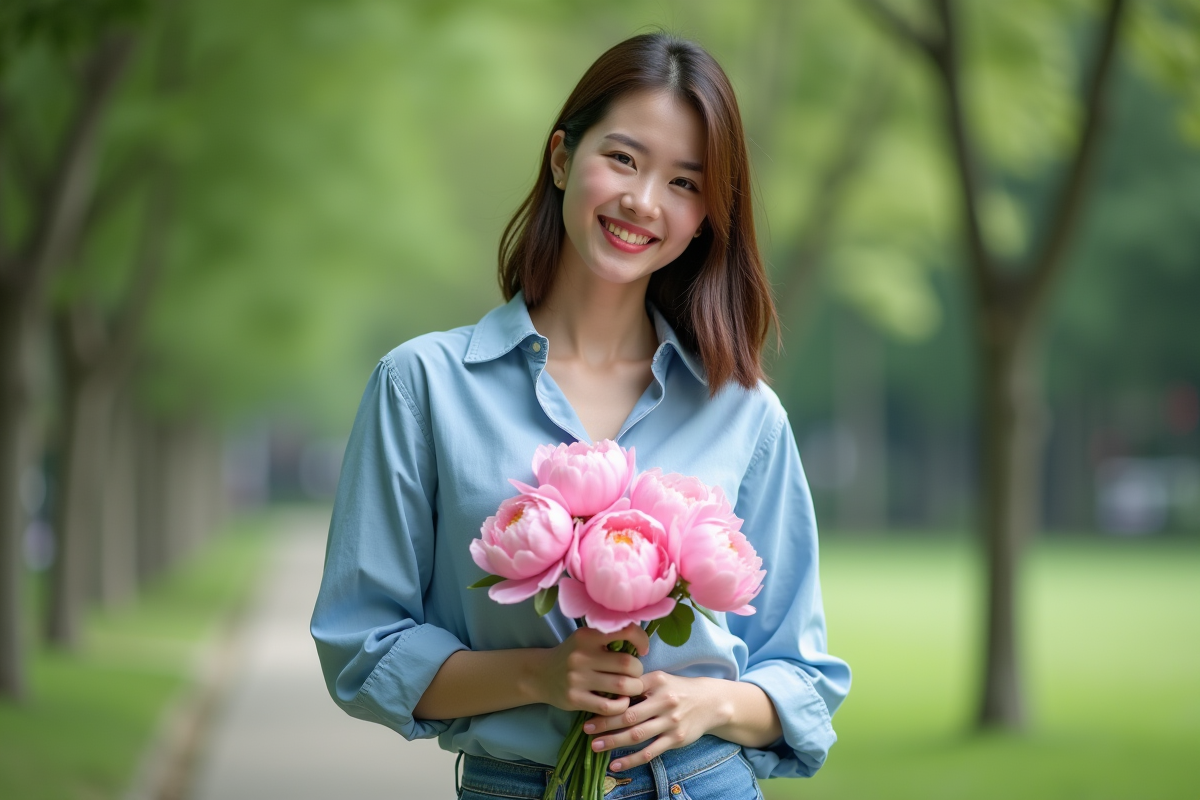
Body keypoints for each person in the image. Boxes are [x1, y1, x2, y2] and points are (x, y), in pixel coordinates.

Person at [311, 32, 850, 800]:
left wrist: (708, 703)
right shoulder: (421, 386)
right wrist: (538, 674)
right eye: (623, 159)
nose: (643, 201)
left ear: (706, 216)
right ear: (562, 158)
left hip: (702, 782)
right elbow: (362, 647)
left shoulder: (744, 412)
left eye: (684, 182)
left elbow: (801, 672)